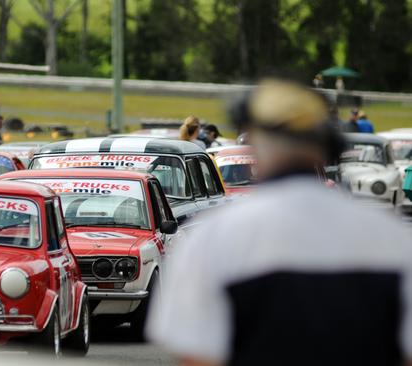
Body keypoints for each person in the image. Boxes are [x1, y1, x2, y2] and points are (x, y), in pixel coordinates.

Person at [147, 78, 411, 366]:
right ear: (328, 143)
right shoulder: (391, 237)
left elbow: (197, 355)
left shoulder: (215, 237)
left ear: (257, 143)